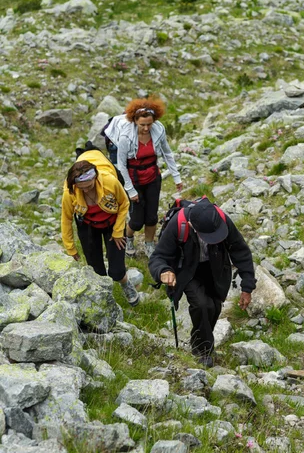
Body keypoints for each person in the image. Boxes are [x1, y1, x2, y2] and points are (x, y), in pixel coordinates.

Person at [149, 197, 256, 367]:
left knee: (214, 307)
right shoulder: (178, 224)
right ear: (192, 226)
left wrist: (247, 286)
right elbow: (158, 257)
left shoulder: (222, 220)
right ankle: (202, 351)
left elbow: (240, 252)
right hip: (187, 271)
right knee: (201, 305)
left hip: (216, 268)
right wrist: (163, 271)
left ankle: (201, 341)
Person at [61, 155, 139, 306]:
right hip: (88, 225)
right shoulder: (70, 193)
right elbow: (66, 219)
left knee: (116, 271)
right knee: (96, 270)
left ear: (95, 178)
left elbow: (124, 204)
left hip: (112, 221)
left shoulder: (109, 182)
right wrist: (70, 248)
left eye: (88, 187)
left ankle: (126, 285)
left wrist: (117, 231)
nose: (84, 190)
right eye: (81, 188)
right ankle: (105, 300)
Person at [116, 97, 182, 258]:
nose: (146, 128)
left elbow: (167, 153)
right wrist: (130, 190)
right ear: (134, 121)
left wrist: (176, 177)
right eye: (142, 125)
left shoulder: (158, 130)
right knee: (137, 220)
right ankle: (128, 237)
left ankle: (149, 244)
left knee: (152, 217)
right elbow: (121, 165)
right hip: (134, 180)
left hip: (153, 178)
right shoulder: (126, 137)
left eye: (149, 124)